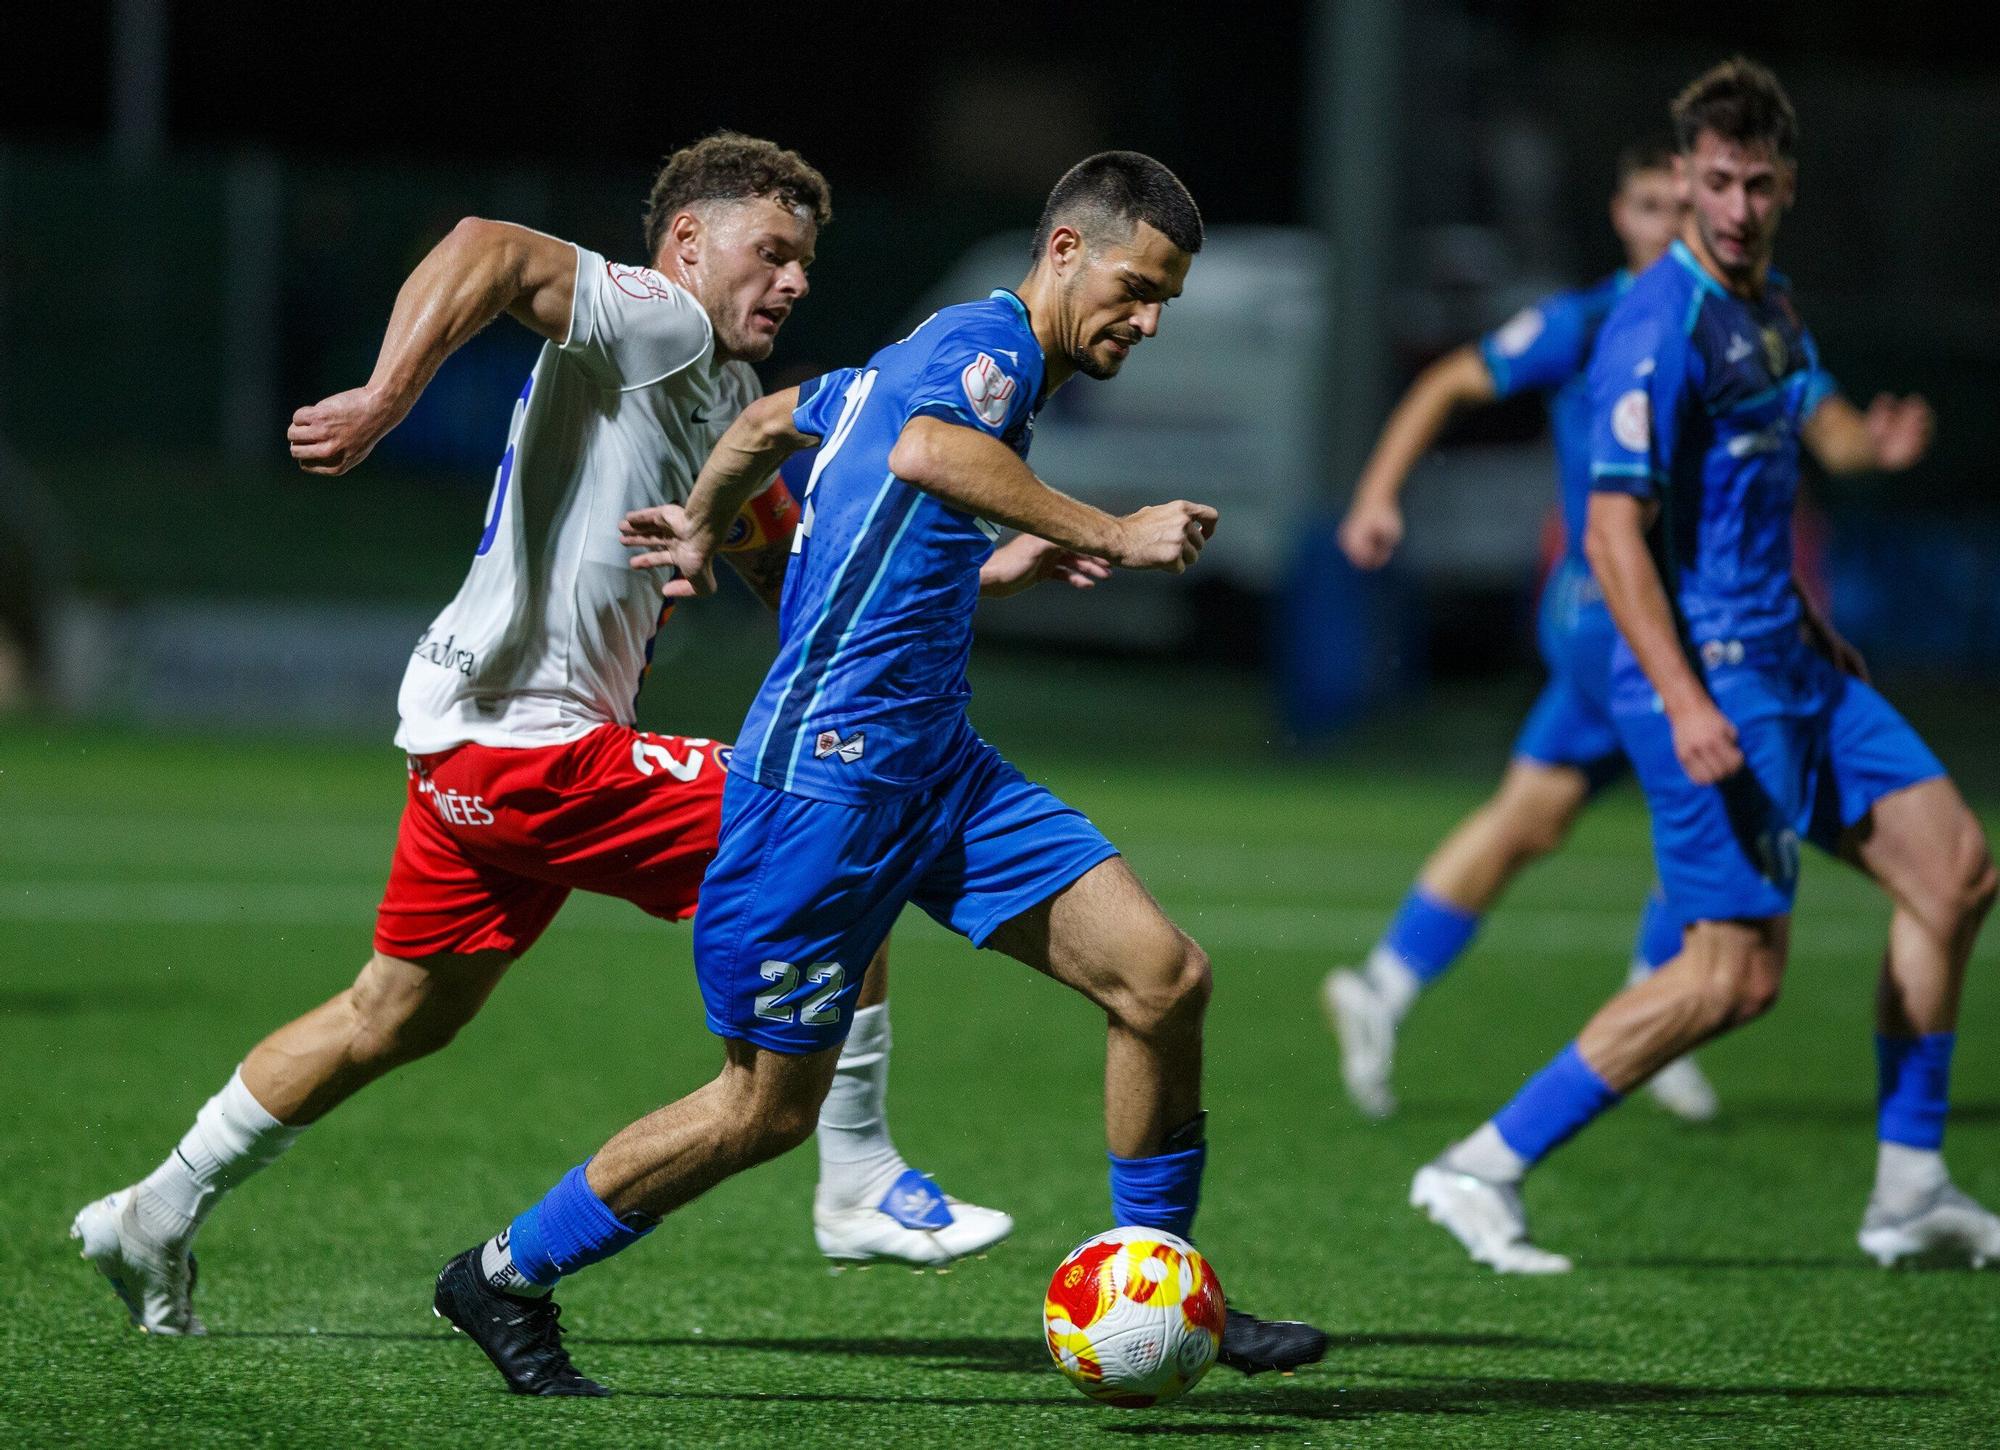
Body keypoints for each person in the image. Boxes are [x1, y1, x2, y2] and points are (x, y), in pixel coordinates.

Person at [71, 133, 1049, 1335]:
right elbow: (485, 249)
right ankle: (852, 1173)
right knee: (818, 814)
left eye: (806, 261)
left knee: (395, 1014)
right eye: (771, 251)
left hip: (473, 742)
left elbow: (785, 561)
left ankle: (153, 1210)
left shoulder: (720, 393)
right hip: (526, 743)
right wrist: (384, 399)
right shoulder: (657, 320)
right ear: (687, 243)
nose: (793, 280)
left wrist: (993, 569)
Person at [431, 151, 1329, 1397]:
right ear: (1064, 251)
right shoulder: (992, 348)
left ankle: (1161, 1278)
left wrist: (701, 517)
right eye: (1135, 286)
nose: (1149, 319)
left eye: (1166, 297)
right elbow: (920, 453)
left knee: (1162, 981)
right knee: (761, 1111)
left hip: (937, 767)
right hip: (823, 787)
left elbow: (768, 422)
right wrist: (1107, 529)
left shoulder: (917, 354)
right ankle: (502, 1275)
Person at [1410, 57, 1997, 1274]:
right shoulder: (1653, 328)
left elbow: (1780, 457)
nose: (1733, 206)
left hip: (1795, 658)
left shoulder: (1769, 308)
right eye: (1714, 182)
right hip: (1708, 677)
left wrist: (1846, 500)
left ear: (1785, 186)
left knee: (1952, 874)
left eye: (1756, 183)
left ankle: (1907, 1188)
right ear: (1684, 180)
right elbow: (1614, 532)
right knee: (1730, 977)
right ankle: (1477, 1165)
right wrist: (1681, 698)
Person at [1324, 141, 1721, 1122]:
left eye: (1685, 202)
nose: (1669, 220)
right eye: (1647, 203)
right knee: (1719, 782)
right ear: (1618, 215)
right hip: (1614, 618)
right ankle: (1654, 1010)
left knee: (1529, 813)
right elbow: (1443, 383)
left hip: (1653, 616)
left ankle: (1380, 984)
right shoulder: (1583, 324)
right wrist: (1376, 493)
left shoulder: (1724, 326)